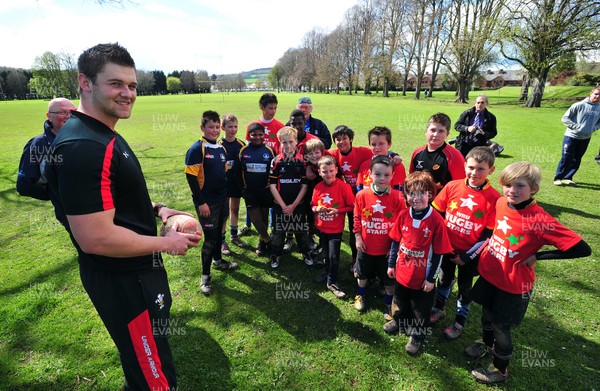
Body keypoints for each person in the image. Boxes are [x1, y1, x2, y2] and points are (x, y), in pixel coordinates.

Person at [44, 43, 201, 390]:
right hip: (125, 282)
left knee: (146, 367)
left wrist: (160, 210)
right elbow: (96, 237)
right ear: (85, 82)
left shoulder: (101, 133)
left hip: (137, 276)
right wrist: (168, 243)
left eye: (131, 85)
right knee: (155, 380)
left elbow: (115, 201)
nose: (127, 93)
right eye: (116, 84)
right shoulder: (84, 147)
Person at [465, 161, 591, 384]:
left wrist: (539, 256)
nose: (512, 191)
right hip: (490, 274)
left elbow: (581, 249)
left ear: (533, 189)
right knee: (486, 314)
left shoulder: (540, 220)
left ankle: (500, 370)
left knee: (501, 327)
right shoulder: (503, 203)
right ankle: (487, 344)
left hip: (514, 285)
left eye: (520, 186)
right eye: (508, 185)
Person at [429, 146, 501, 340]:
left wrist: (467, 256)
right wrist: (441, 243)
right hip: (446, 248)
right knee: (443, 279)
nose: (474, 173)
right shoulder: (452, 186)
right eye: (470, 167)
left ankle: (459, 321)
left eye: (480, 169)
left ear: (491, 170)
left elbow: (488, 234)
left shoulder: (495, 198)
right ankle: (439, 308)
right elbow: (436, 214)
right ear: (464, 166)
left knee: (465, 287)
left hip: (469, 255)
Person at [383, 171, 453, 355]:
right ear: (406, 195)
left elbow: (439, 253)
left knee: (420, 309)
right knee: (400, 300)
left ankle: (418, 335)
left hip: (423, 278)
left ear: (430, 194)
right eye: (412, 193)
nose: (416, 198)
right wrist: (391, 264)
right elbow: (396, 241)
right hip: (402, 271)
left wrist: (431, 279)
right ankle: (399, 320)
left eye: (422, 193)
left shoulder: (437, 221)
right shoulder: (404, 215)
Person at [186, 110, 239, 296]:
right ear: (202, 127)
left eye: (217, 127)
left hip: (222, 199)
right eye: (211, 127)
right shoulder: (197, 149)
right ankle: (205, 277)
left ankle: (218, 261)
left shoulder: (221, 148)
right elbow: (191, 177)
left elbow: (223, 174)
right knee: (210, 240)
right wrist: (201, 203)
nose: (215, 130)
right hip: (207, 203)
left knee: (218, 233)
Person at [353, 156, 406, 319]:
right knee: (362, 275)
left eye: (386, 175)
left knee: (389, 280)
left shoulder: (398, 197)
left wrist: (394, 247)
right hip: (366, 245)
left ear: (392, 175)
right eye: (377, 174)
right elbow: (356, 217)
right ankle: (360, 295)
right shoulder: (362, 195)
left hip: (387, 249)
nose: (382, 178)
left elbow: (402, 224)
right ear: (370, 174)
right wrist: (357, 237)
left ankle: (389, 303)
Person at [268, 126, 319, 269]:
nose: (288, 146)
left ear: (296, 142)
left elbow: (304, 186)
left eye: (291, 142)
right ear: (279, 143)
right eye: (284, 142)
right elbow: (272, 186)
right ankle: (276, 254)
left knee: (301, 231)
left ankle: (305, 252)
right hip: (280, 205)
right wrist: (284, 206)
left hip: (298, 204)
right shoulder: (276, 161)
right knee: (278, 232)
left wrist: (294, 205)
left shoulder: (302, 161)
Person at [239, 93, 285, 237]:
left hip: (270, 173)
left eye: (275, 108)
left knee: (267, 205)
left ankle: (269, 231)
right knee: (252, 206)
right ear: (262, 107)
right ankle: (250, 226)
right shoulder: (252, 126)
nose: (273, 111)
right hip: (253, 178)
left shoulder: (280, 126)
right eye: (270, 108)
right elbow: (248, 151)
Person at [311, 155, 355, 299]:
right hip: (322, 227)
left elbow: (351, 206)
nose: (328, 174)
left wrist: (338, 211)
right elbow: (313, 205)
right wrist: (317, 209)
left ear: (336, 170)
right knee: (325, 253)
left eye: (331, 171)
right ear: (319, 172)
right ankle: (327, 271)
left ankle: (332, 281)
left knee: (334, 256)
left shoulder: (344, 187)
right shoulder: (318, 187)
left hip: (335, 229)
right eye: (325, 171)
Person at [17, 97, 76, 200]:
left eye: (73, 112)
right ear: (49, 116)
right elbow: (25, 185)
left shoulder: (86, 138)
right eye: (62, 112)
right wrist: (55, 195)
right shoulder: (38, 144)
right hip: (65, 211)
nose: (69, 116)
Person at [238, 123, 276, 257]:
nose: (257, 137)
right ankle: (268, 239)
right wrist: (242, 189)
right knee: (255, 217)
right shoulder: (243, 151)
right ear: (249, 135)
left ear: (264, 135)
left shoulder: (270, 151)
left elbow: (274, 172)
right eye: (254, 135)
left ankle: (262, 242)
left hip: (265, 191)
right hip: (250, 191)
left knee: (264, 217)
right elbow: (238, 171)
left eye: (260, 135)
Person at [553, 86, 600, 186]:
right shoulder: (579, 105)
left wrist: (593, 128)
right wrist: (576, 127)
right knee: (566, 157)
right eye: (596, 94)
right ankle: (558, 178)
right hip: (571, 136)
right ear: (591, 93)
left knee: (577, 158)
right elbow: (565, 118)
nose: (597, 96)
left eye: (599, 95)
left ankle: (567, 177)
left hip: (586, 138)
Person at [410, 113, 466, 195]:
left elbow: (461, 185)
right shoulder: (417, 153)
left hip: (443, 205)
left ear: (447, 134)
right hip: (419, 203)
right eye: (432, 130)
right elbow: (411, 180)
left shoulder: (454, 156)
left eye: (441, 131)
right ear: (426, 131)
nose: (436, 135)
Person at [218, 113, 247, 254]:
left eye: (235, 126)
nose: (233, 129)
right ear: (223, 127)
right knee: (223, 213)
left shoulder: (241, 144)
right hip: (223, 184)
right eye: (230, 127)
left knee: (234, 209)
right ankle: (222, 241)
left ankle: (234, 236)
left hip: (236, 183)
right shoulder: (218, 145)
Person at [356, 126, 407, 192]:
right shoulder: (364, 166)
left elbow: (399, 192)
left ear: (389, 144)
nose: (377, 147)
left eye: (381, 144)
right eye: (373, 144)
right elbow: (359, 189)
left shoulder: (397, 166)